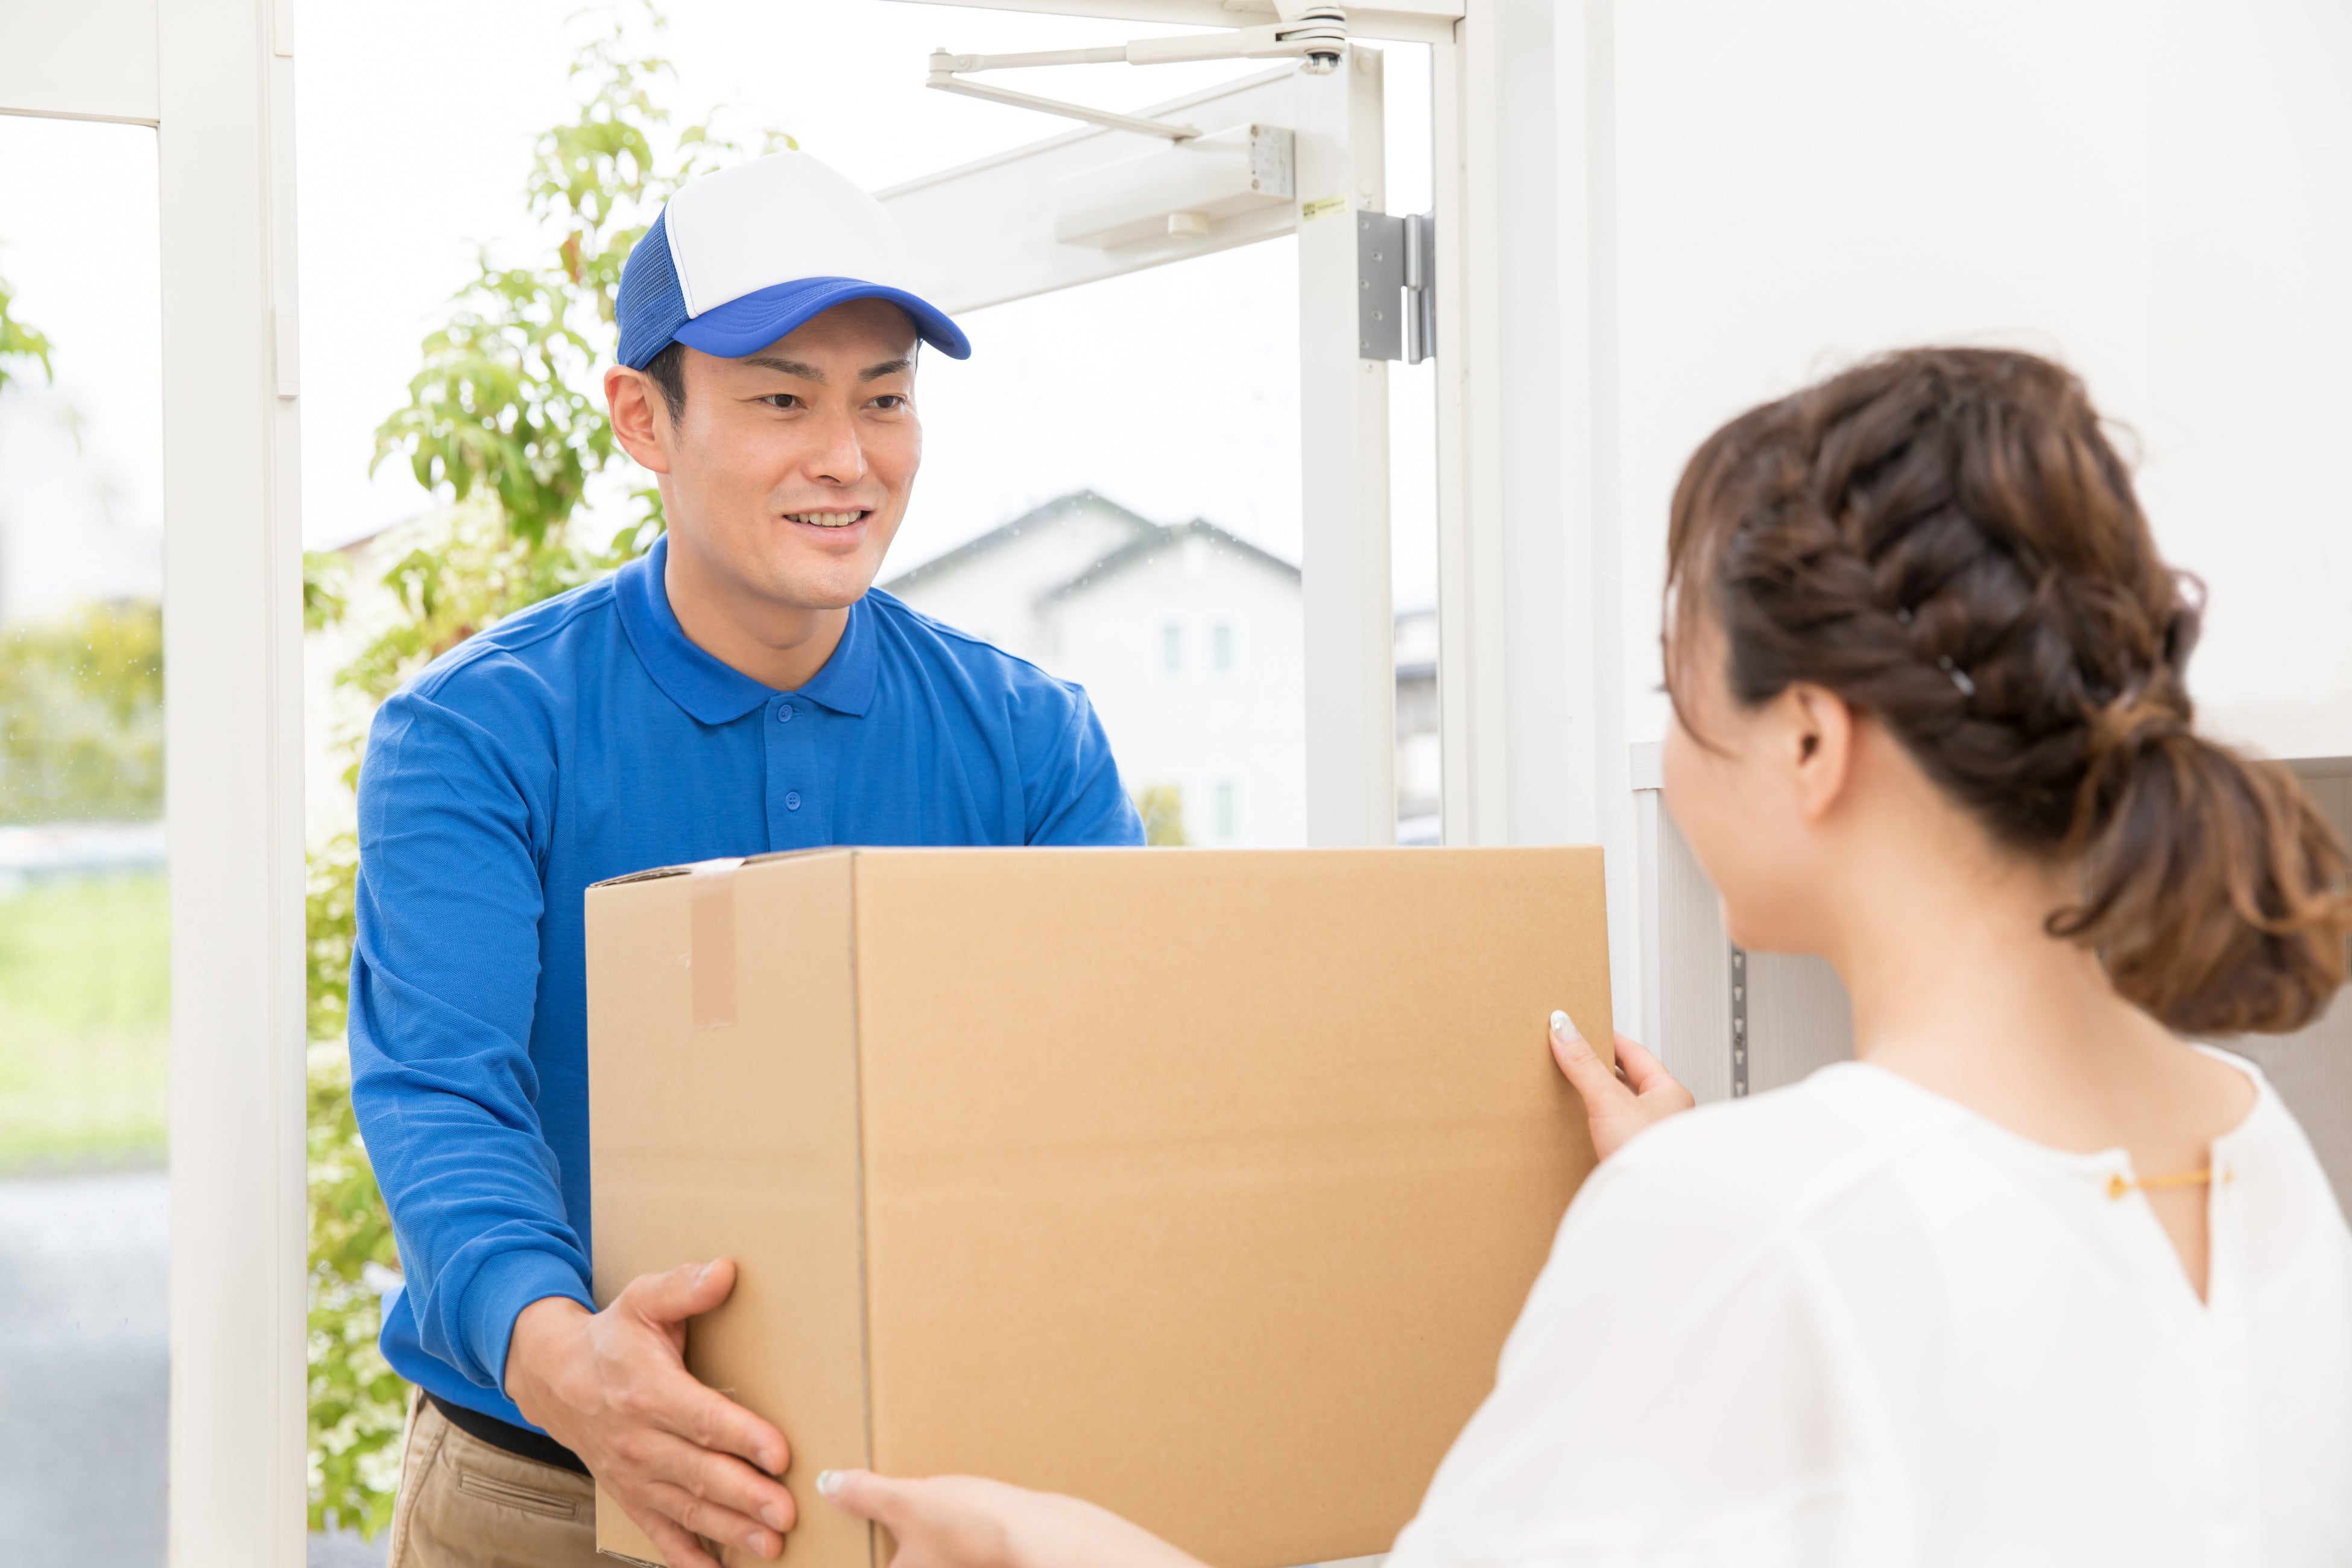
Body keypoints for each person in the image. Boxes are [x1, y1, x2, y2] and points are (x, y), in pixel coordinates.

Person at [811, 347, 2352, 1566]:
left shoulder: (1745, 1225)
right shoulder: (2254, 1150)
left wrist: (1059, 1542)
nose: (1673, 761)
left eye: (1677, 692)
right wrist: (1707, 1192)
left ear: (1810, 738)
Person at [352, 150, 1145, 1568]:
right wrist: (568, 1364)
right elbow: (443, 1098)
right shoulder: (481, 731)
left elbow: (1111, 1096)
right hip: (545, 1486)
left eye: (884, 399)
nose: (847, 457)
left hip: (919, 1483)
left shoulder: (1031, 742)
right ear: (642, 420)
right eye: (782, 398)